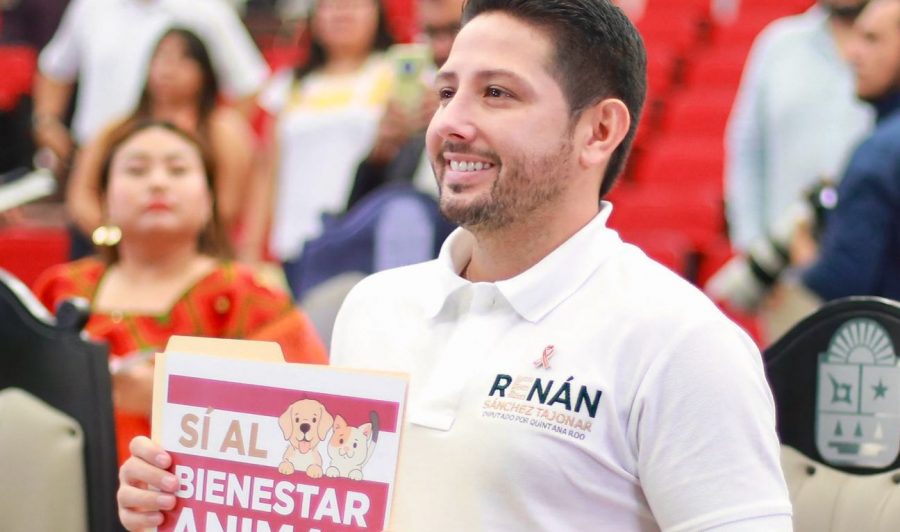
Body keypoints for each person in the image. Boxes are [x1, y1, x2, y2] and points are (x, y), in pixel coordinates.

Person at [117, 1, 792, 530]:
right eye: (446, 93)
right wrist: (184, 500)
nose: (450, 124)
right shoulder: (372, 308)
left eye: (497, 93)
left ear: (599, 131)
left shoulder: (683, 343)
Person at [33, 119, 328, 464]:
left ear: (209, 200)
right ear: (105, 198)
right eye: (136, 170)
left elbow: (313, 411)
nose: (157, 182)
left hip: (196, 492)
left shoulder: (247, 296)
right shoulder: (61, 288)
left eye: (178, 169)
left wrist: (171, 397)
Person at [770, 0, 900, 331]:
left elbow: (842, 283)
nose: (853, 54)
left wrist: (804, 258)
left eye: (872, 39)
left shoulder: (878, 155)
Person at [65, 28, 255, 252]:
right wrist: (113, 238)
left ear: (204, 72)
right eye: (162, 57)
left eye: (183, 59)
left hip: (200, 251)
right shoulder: (117, 130)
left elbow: (228, 206)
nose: (168, 69)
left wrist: (174, 243)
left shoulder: (223, 131)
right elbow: (82, 195)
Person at [240, 0, 394, 265]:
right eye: (329, 5)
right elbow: (267, 169)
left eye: (355, 4)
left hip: (371, 241)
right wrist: (250, 248)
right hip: (295, 244)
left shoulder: (398, 72)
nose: (342, 11)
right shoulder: (289, 84)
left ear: (378, 13)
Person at [32, 0, 268, 170]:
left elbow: (249, 85)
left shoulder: (206, 9)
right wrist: (47, 122)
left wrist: (211, 145)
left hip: (173, 169)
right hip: (95, 160)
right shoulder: (91, 6)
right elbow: (55, 69)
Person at [725, 0, 874, 251]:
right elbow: (748, 149)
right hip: (785, 258)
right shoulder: (779, 45)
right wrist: (752, 246)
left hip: (875, 259)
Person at [345, 0, 465, 208]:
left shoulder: (510, 102)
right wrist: (379, 159)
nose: (440, 49)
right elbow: (358, 217)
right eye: (430, 33)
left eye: (454, 31)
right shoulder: (417, 102)